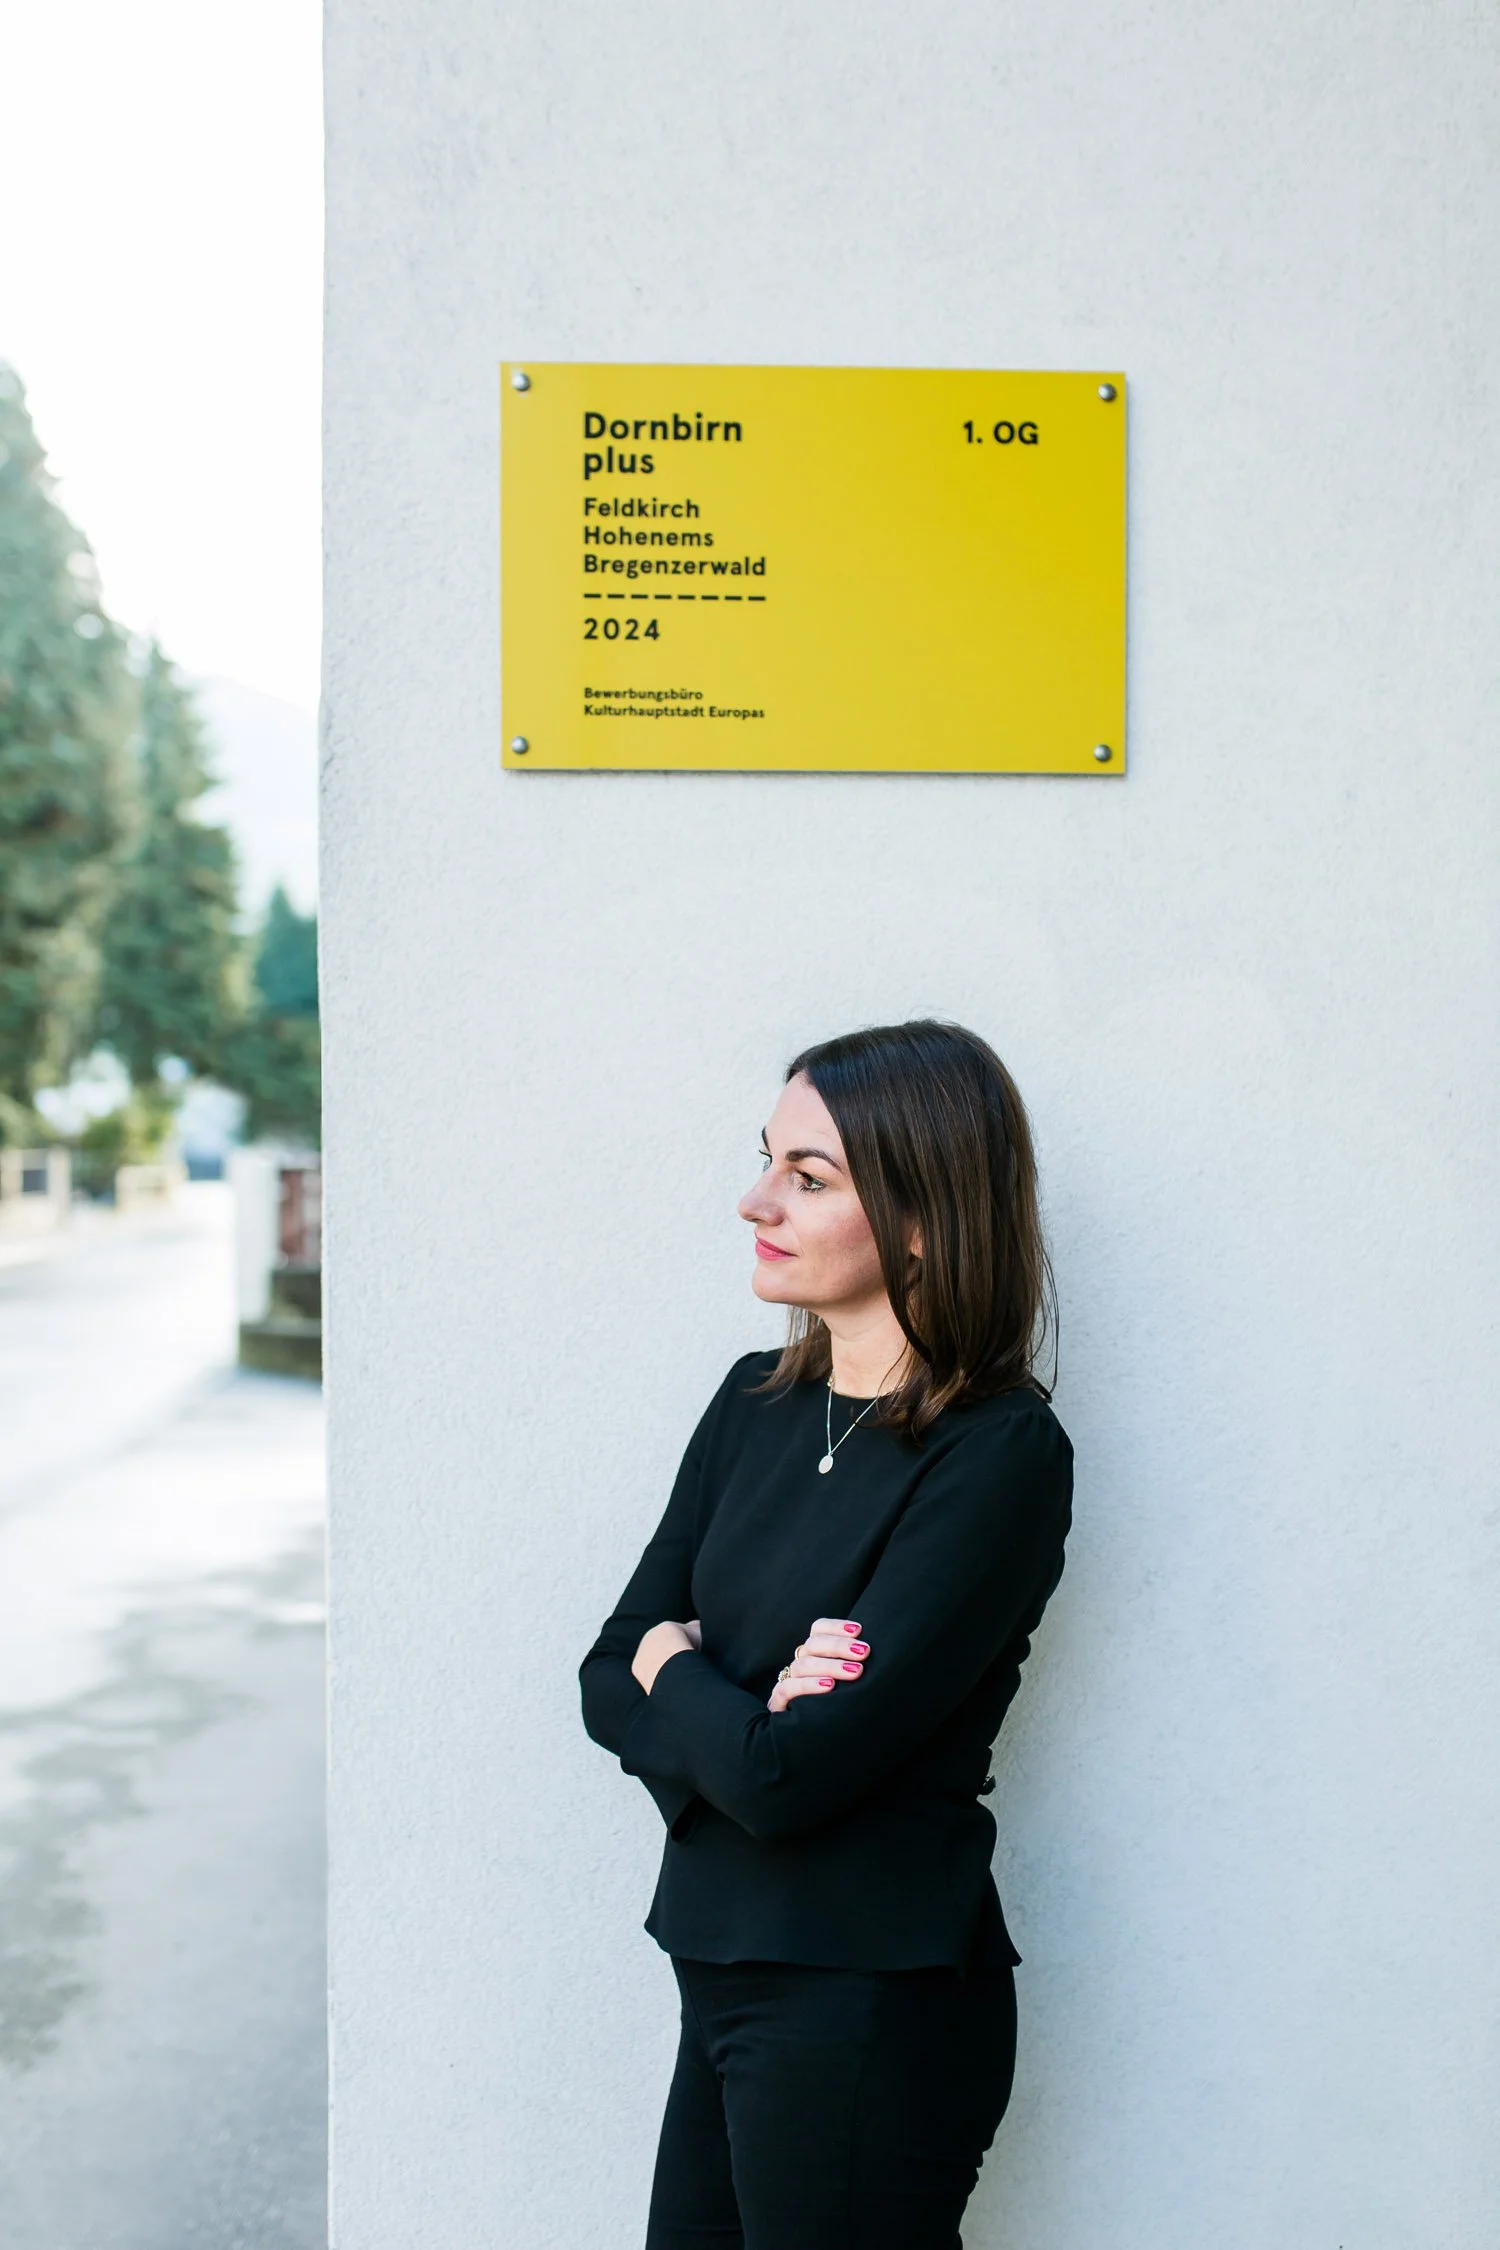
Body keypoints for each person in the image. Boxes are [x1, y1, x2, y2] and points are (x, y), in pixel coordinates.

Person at [579, 1019, 1073, 2249]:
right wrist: (739, 1705)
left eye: (809, 1178)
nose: (757, 1201)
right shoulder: (754, 1405)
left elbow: (784, 1776)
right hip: (718, 1966)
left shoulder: (996, 1454)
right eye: (769, 1162)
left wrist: (680, 1666)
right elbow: (604, 1675)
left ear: (920, 1218)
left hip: (868, 1996)